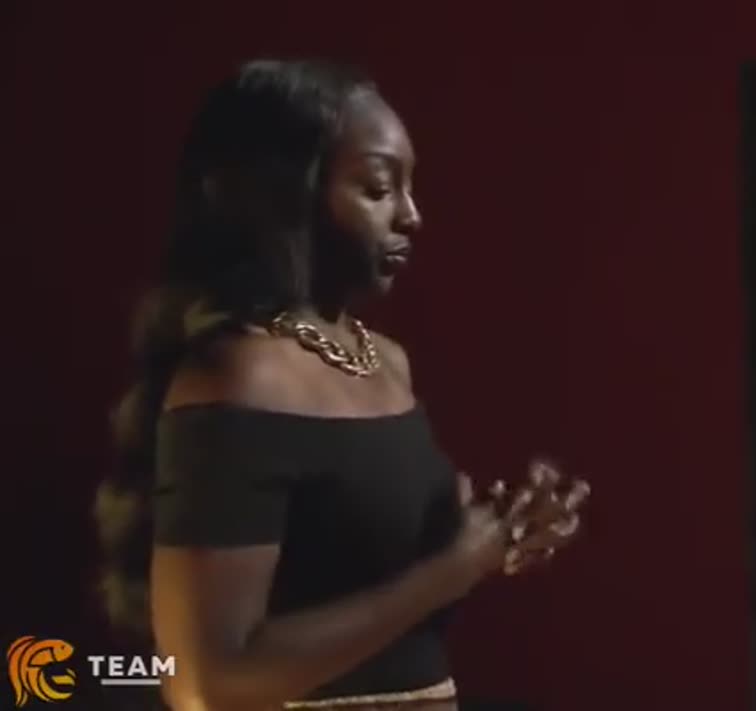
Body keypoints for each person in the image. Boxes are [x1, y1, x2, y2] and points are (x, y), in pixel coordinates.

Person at [93, 58, 589, 711]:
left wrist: (494, 534)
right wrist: (451, 569)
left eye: (409, 188)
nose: (411, 215)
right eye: (378, 188)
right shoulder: (241, 375)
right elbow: (205, 683)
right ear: (284, 198)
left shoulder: (384, 360)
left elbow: (372, 592)